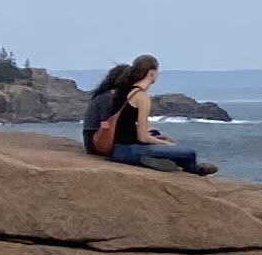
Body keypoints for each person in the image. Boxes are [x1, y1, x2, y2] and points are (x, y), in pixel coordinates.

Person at [80, 55, 217, 176]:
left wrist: (154, 137)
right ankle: (193, 170)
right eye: (157, 71)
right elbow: (142, 137)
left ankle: (158, 161)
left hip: (118, 149)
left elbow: (125, 125)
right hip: (126, 151)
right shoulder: (141, 96)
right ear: (151, 73)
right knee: (189, 153)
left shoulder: (121, 93)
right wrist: (165, 144)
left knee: (169, 149)